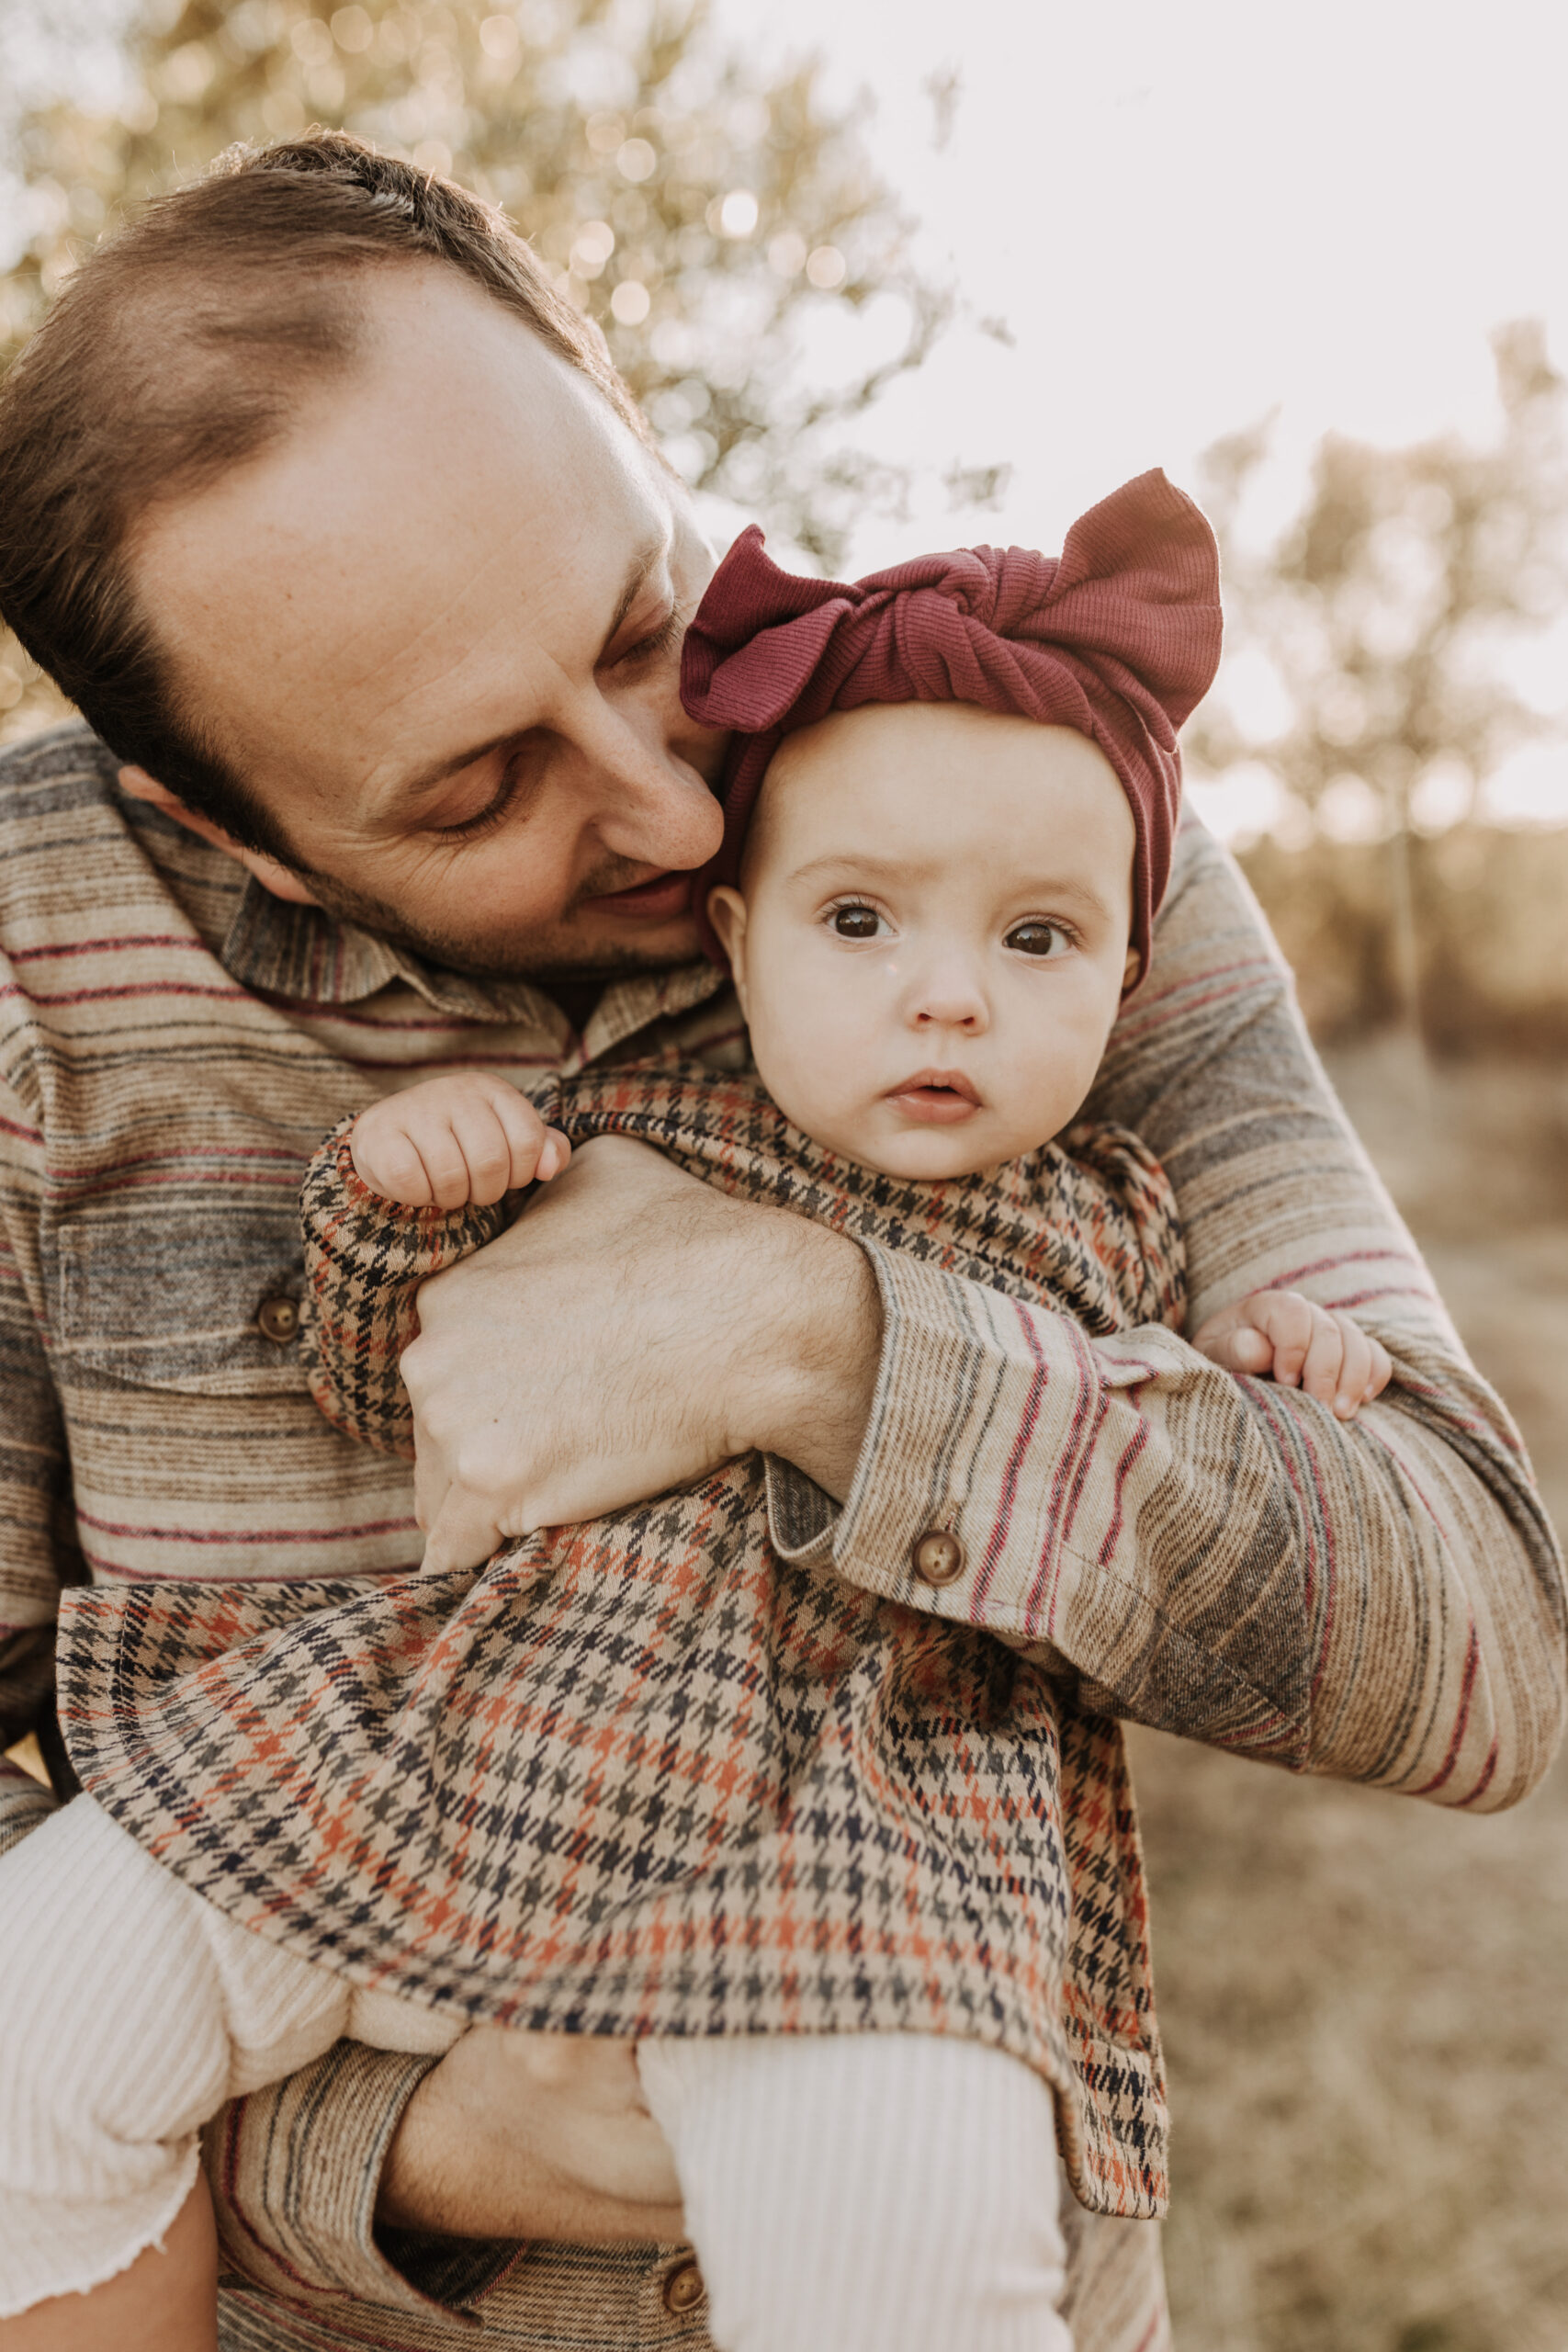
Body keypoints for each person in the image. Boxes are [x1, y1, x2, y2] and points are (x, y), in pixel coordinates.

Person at [0, 134, 1561, 2352]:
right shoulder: (34, 954)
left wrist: (814, 1339)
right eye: (472, 793)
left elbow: (1478, 1641)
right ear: (206, 814)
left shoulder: (1003, 806)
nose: (658, 803)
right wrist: (400, 2153)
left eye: (646, 625)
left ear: (618, 401)